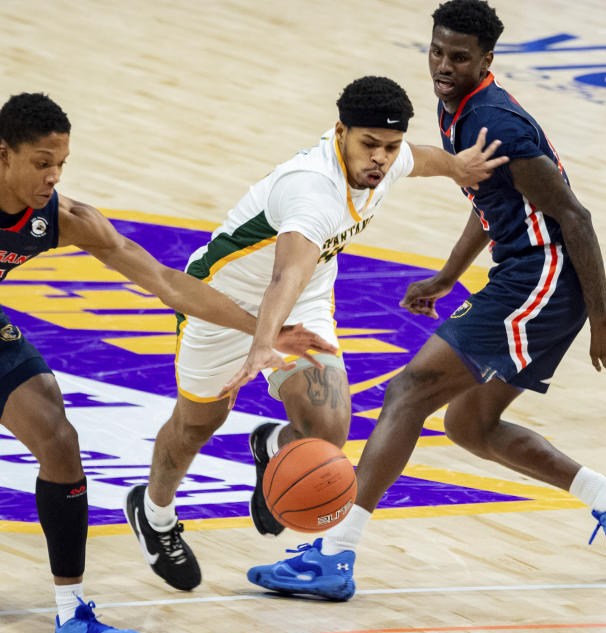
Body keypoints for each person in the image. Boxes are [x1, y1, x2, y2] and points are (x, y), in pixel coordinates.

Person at [0, 92, 334, 633]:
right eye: (41, 163)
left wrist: (264, 330)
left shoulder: (62, 217)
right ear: (2, 154)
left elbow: (163, 280)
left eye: (61, 163)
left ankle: (73, 618)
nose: (53, 177)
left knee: (60, 439)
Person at [247, 0, 606, 602]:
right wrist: (446, 276)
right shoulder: (455, 109)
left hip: (541, 281)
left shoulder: (497, 123)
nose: (443, 64)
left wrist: (601, 316)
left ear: (486, 60)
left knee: (408, 391)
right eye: (436, 51)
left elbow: (574, 214)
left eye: (458, 57)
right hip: (529, 277)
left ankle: (334, 555)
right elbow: (490, 203)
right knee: (470, 423)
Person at [124, 75, 508, 592]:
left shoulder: (388, 161)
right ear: (340, 132)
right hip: (220, 301)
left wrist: (458, 166)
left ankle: (273, 446)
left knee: (328, 429)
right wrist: (264, 342)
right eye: (369, 144)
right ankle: (155, 514)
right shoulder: (311, 190)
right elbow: (286, 272)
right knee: (198, 425)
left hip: (301, 300)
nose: (380, 158)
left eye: (388, 146)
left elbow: (420, 157)